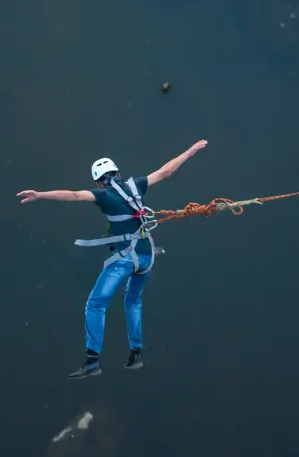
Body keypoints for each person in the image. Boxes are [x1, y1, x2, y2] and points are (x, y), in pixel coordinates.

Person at [16, 139, 208, 379]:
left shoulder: (102, 195)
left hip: (126, 259)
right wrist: (189, 152)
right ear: (118, 173)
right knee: (133, 302)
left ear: (98, 180)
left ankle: (92, 361)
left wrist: (41, 194)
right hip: (147, 256)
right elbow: (165, 171)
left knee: (96, 304)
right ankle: (136, 354)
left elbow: (74, 195)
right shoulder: (137, 185)